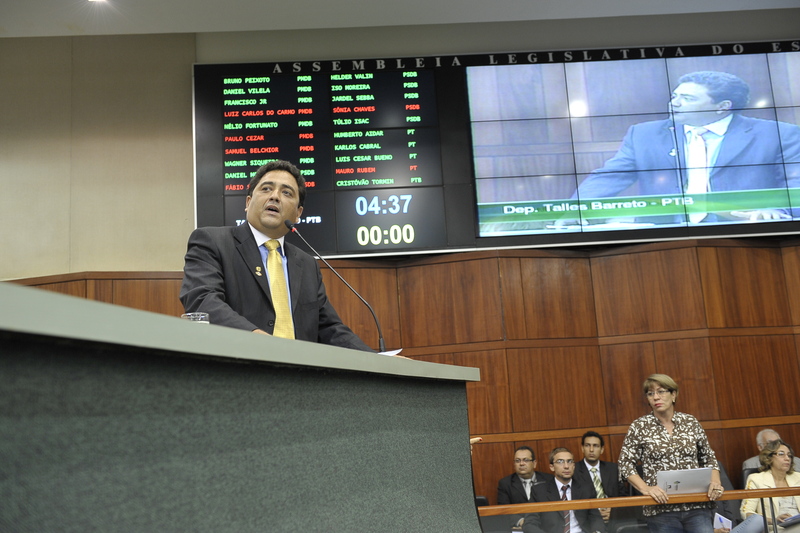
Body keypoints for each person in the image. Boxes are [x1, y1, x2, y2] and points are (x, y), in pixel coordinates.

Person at [180, 160, 373, 351]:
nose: (275, 197)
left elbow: (329, 328)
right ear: (248, 202)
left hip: (299, 368)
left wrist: (377, 359)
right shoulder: (212, 241)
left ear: (298, 214)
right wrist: (258, 339)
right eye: (266, 189)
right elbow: (203, 300)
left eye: (287, 193)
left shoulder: (307, 264)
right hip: (238, 364)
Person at [574, 71, 800, 224]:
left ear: (723, 106)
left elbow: (795, 185)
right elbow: (609, 177)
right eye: (674, 96)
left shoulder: (779, 134)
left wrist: (778, 211)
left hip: (746, 231)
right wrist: (575, 210)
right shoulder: (644, 134)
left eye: (688, 98)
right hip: (664, 235)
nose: (674, 103)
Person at [617, 373, 725, 533]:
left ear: (673, 395)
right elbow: (625, 464)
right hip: (661, 509)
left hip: (696, 505)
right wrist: (646, 488)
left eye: (661, 391)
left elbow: (708, 457)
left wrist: (715, 482)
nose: (655, 397)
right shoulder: (639, 426)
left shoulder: (690, 422)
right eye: (650, 393)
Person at [522, 447, 606, 533]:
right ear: (552, 467)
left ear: (574, 466)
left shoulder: (586, 489)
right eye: (560, 462)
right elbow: (530, 524)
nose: (566, 466)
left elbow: (596, 518)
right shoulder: (539, 491)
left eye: (569, 461)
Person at [739, 439, 800, 532]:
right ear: (769, 457)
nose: (787, 458)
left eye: (789, 455)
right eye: (781, 454)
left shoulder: (798, 477)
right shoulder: (756, 479)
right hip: (776, 528)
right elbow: (747, 513)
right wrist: (773, 520)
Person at [573, 431, 628, 528]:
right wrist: (596, 513)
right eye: (587, 445)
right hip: (588, 521)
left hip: (615, 519)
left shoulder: (613, 469)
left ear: (602, 449)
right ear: (582, 448)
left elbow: (624, 497)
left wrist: (614, 511)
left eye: (595, 446)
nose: (591, 450)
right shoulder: (574, 471)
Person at [498, 446, 555, 529]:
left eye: (526, 460)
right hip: (520, 527)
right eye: (518, 461)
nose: (521, 463)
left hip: (546, 524)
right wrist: (522, 522)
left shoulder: (548, 480)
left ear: (534, 463)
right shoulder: (505, 483)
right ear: (514, 464)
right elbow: (503, 510)